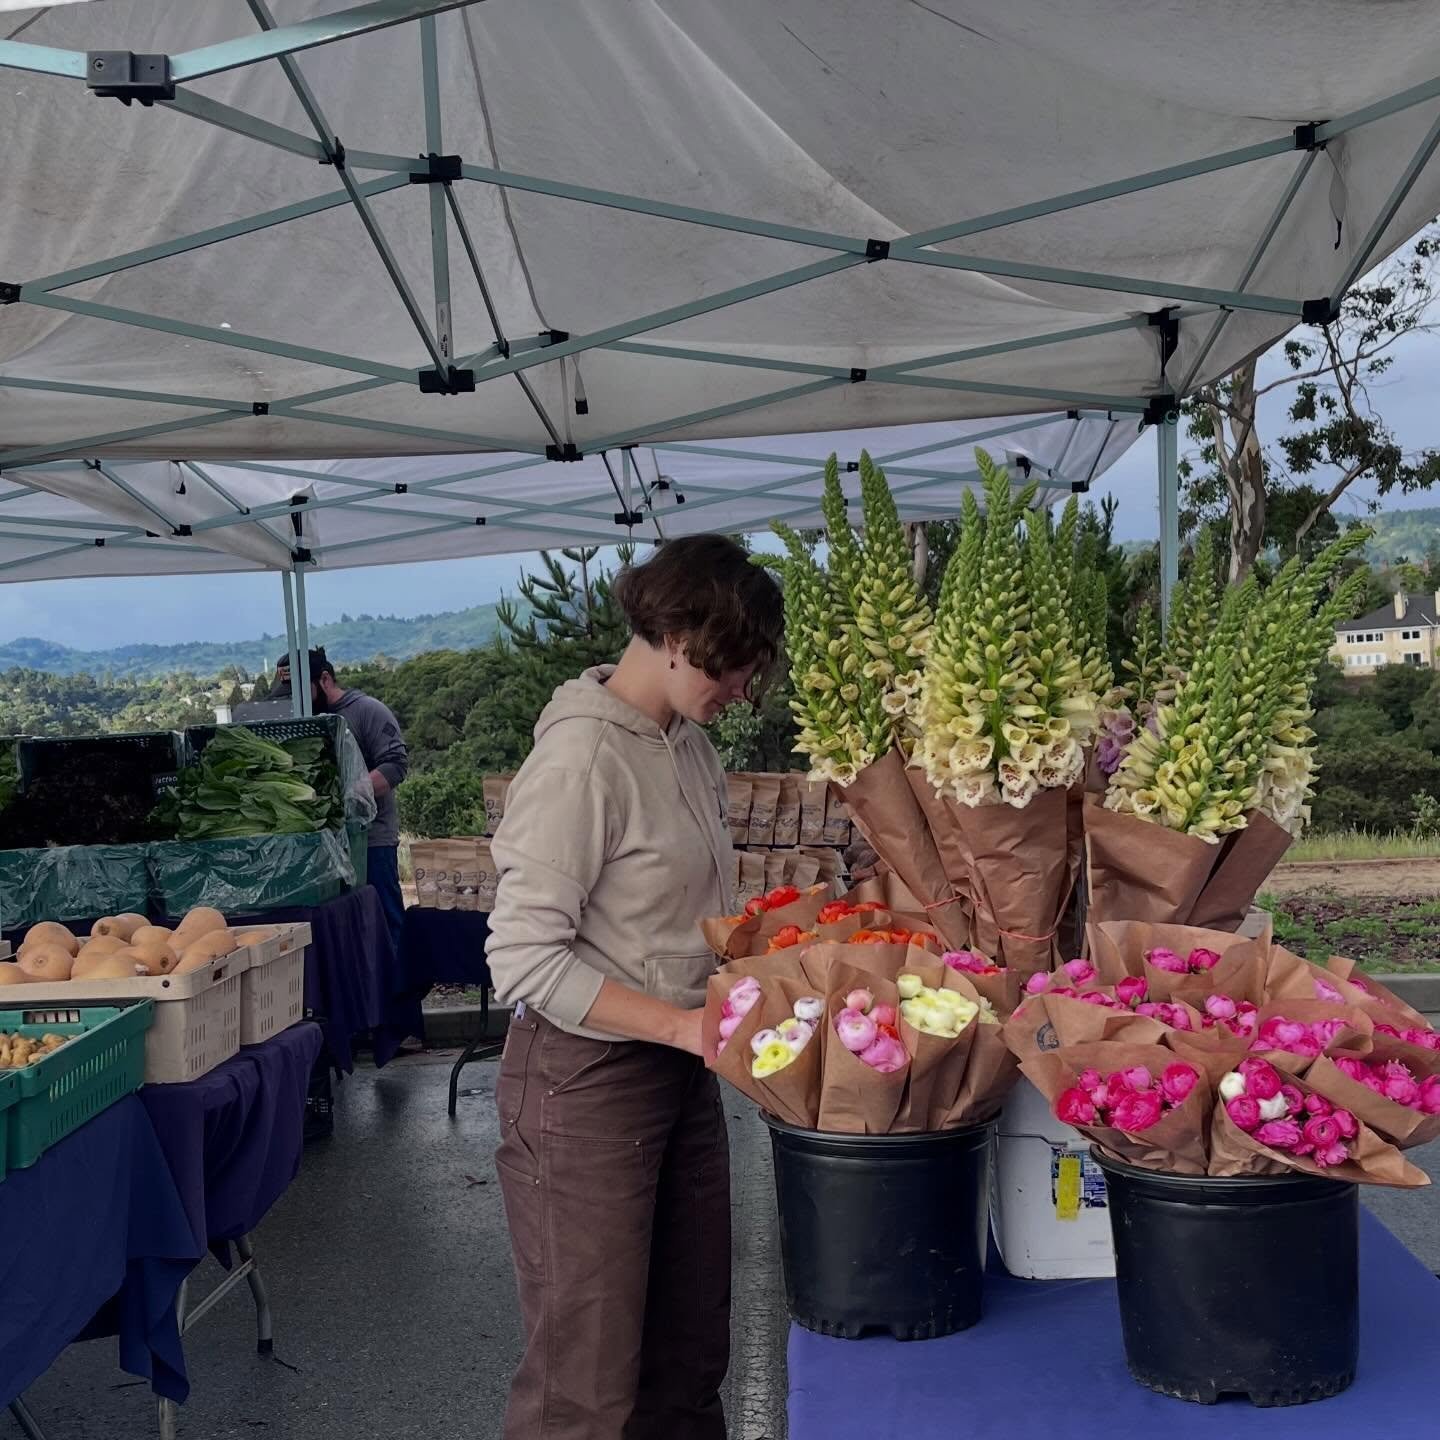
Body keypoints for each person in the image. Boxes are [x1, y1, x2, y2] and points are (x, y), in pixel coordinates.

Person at [486, 535, 784, 1440]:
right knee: (586, 1380)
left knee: (689, 1354)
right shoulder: (581, 759)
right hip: (582, 1084)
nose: (741, 690)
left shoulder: (684, 745)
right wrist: (684, 1027)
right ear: (678, 633)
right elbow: (523, 961)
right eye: (734, 665)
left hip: (676, 1072)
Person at [273, 647, 409, 953]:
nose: (295, 698)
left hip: (371, 842)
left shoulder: (367, 711)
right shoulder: (303, 719)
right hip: (324, 848)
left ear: (324, 679)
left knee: (385, 925)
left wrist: (349, 793)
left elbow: (395, 766)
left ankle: (397, 996)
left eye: (300, 689)